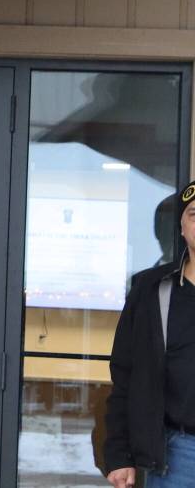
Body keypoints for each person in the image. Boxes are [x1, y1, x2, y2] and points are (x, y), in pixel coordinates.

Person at [105, 180, 195, 487]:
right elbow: (125, 376)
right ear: (182, 228)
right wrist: (119, 454)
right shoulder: (151, 291)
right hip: (179, 455)